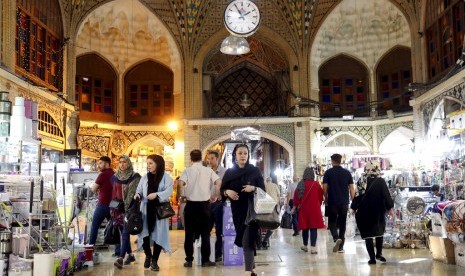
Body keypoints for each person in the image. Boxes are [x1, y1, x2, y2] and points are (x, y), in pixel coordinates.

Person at [220, 144, 265, 276]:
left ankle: (247, 272)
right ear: (235, 155)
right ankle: (253, 268)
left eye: (245, 153)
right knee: (247, 239)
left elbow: (263, 190)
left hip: (252, 211)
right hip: (237, 211)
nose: (243, 156)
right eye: (240, 153)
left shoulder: (254, 171)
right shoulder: (229, 172)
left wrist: (254, 188)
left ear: (248, 155)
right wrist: (227, 191)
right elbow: (222, 190)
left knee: (247, 239)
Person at [179, 149, 221, 268]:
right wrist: (216, 195)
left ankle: (188, 260)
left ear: (191, 159)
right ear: (202, 158)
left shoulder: (187, 170)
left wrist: (180, 196)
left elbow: (180, 183)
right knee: (205, 234)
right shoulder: (208, 170)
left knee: (189, 234)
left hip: (191, 206)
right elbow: (218, 182)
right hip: (204, 206)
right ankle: (205, 260)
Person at [134, 154, 173, 271]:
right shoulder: (145, 177)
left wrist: (157, 195)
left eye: (151, 163)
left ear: (158, 164)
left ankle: (155, 260)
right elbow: (139, 190)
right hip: (145, 209)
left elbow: (168, 191)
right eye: (147, 163)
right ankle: (148, 255)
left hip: (159, 211)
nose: (148, 166)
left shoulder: (166, 177)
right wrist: (138, 195)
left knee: (159, 235)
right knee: (144, 233)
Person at [350, 161, 394, 264]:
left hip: (364, 211)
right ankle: (379, 253)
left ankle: (372, 258)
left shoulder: (361, 180)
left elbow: (357, 196)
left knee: (368, 235)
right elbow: (386, 196)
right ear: (377, 169)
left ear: (366, 169)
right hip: (378, 211)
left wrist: (353, 208)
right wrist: (390, 209)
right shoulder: (381, 181)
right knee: (379, 232)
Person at [112, 155, 141, 269]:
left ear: (128, 163)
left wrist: (129, 206)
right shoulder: (116, 177)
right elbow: (114, 193)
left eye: (124, 162)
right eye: (120, 162)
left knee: (125, 232)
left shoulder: (136, 177)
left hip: (131, 208)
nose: (122, 164)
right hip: (118, 208)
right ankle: (130, 255)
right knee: (124, 233)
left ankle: (121, 257)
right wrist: (112, 208)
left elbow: (137, 193)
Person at [322, 153, 355, 253]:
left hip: (332, 202)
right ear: (340, 161)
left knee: (332, 222)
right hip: (344, 202)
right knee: (342, 223)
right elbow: (351, 188)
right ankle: (341, 247)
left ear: (332, 161)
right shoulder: (347, 173)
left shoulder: (328, 173)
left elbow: (324, 188)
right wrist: (354, 201)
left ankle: (336, 238)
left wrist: (326, 198)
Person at [291, 167, 325, 254]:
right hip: (314, 209)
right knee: (313, 228)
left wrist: (295, 207)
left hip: (304, 210)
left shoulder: (301, 184)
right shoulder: (316, 184)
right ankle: (313, 248)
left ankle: (305, 246)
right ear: (312, 175)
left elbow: (296, 198)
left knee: (305, 228)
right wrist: (319, 204)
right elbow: (321, 196)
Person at [89, 156, 118, 255]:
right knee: (115, 227)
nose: (99, 165)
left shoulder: (102, 175)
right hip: (113, 205)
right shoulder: (115, 174)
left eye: (101, 163)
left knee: (94, 226)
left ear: (107, 163)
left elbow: (93, 189)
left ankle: (90, 249)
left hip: (102, 205)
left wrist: (98, 187)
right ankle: (118, 251)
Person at [206, 150, 226, 262]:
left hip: (219, 205)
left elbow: (227, 187)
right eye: (208, 158)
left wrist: (219, 195)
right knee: (206, 229)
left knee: (219, 230)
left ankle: (218, 253)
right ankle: (207, 252)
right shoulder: (206, 172)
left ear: (217, 159)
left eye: (212, 158)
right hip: (207, 205)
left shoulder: (225, 172)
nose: (209, 161)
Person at [261, 176, 280, 249]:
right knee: (273, 223)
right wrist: (278, 203)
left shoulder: (264, 186)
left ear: (266, 181)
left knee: (267, 221)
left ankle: (264, 240)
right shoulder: (275, 185)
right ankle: (265, 240)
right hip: (274, 204)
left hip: (266, 205)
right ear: (271, 180)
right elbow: (278, 195)